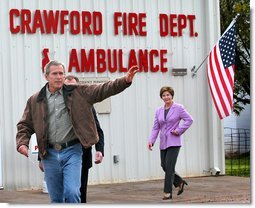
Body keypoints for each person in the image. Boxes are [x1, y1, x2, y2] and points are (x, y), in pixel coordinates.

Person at [16, 60, 138, 203]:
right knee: (56, 198)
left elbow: (103, 89)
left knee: (72, 192)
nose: (59, 77)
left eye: (61, 73)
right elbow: (25, 124)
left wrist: (125, 81)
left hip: (72, 151)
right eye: (55, 74)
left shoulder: (78, 92)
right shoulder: (35, 100)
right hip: (49, 154)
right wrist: (22, 143)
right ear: (46, 76)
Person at [147, 86, 193, 200]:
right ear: (161, 97)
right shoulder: (159, 111)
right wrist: (151, 141)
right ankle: (179, 182)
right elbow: (155, 128)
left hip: (174, 141)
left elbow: (189, 120)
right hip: (163, 142)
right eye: (164, 95)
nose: (166, 97)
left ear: (172, 95)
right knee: (164, 165)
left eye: (168, 94)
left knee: (169, 166)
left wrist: (179, 131)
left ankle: (167, 193)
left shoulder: (179, 108)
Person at [64, 75, 104, 203]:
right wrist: (41, 157)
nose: (70, 89)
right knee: (64, 191)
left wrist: (99, 150)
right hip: (61, 154)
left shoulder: (87, 106)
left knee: (80, 190)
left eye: (73, 87)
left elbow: (97, 129)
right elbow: (45, 130)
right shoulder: (55, 105)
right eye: (67, 87)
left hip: (82, 153)